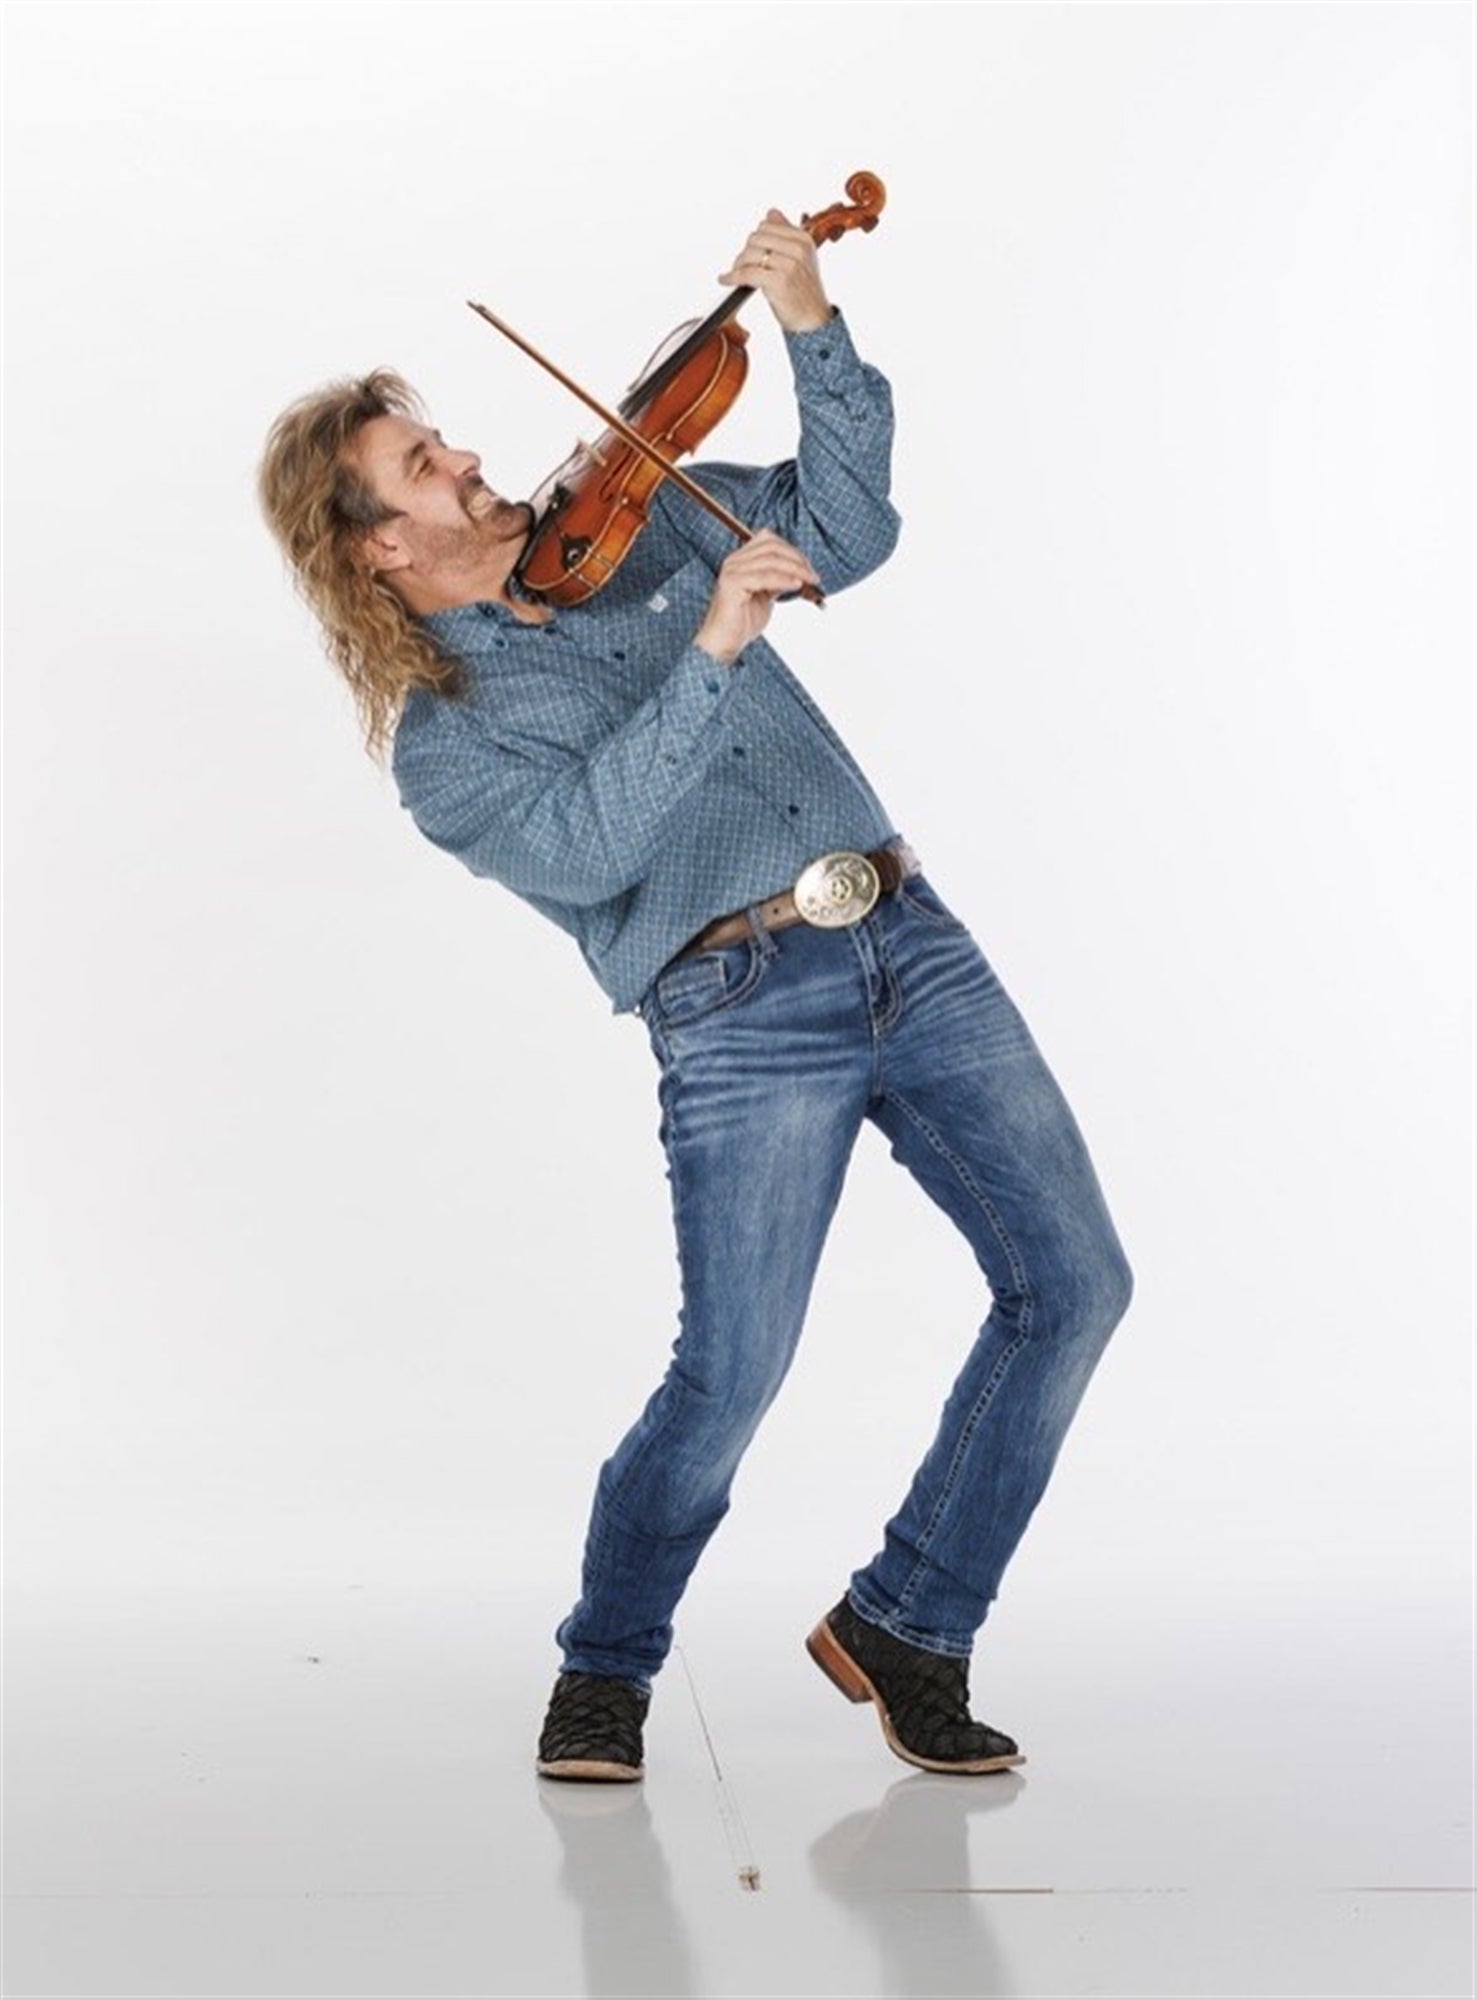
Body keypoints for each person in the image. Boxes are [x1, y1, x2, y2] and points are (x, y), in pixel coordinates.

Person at [257, 207, 1134, 1785]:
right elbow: (592, 846)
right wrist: (714, 644)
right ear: (378, 546)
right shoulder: (448, 744)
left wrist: (807, 324)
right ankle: (604, 1670)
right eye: (424, 467)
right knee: (729, 1374)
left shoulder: (644, 517)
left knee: (1073, 1285)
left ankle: (909, 1623)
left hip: (909, 937)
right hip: (739, 1010)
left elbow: (847, 529)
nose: (470, 459)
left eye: (446, 438)